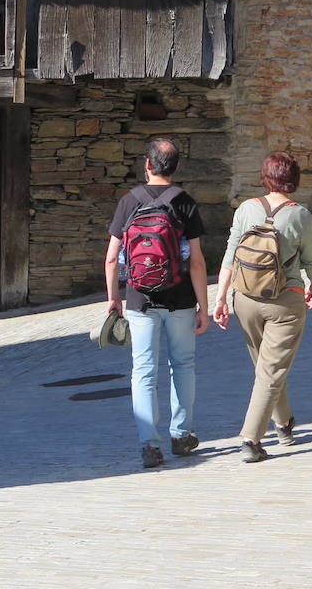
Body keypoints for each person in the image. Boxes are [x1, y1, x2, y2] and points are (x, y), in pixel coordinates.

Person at [211, 151, 312, 463]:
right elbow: (311, 257)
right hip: (285, 300)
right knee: (270, 371)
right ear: (294, 180)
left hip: (245, 300)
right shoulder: (301, 215)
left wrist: (220, 298)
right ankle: (250, 439)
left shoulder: (246, 209)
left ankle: (283, 424)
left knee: (268, 369)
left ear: (265, 177)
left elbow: (231, 255)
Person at [104, 138, 209, 469]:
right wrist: (203, 307)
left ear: (146, 165)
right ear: (176, 167)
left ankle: (150, 446)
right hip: (180, 300)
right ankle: (181, 434)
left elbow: (111, 259)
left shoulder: (128, 202)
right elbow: (196, 261)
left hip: (139, 300)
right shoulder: (185, 202)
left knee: (144, 371)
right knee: (183, 365)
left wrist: (113, 300)